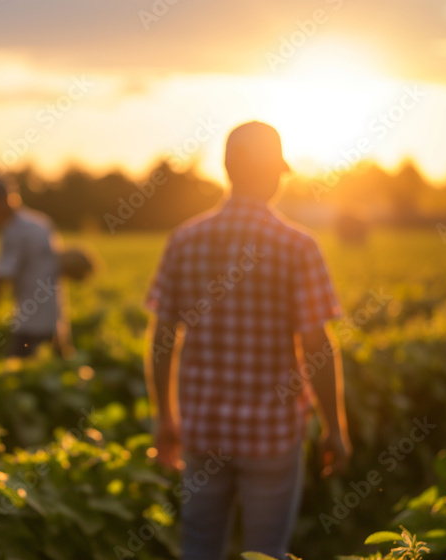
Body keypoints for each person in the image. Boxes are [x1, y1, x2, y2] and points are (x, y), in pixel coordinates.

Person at [143, 121, 351, 559]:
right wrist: (334, 427)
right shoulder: (297, 246)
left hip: (202, 430)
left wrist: (165, 416)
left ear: (226, 167)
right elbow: (317, 346)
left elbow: (162, 337)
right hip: (271, 434)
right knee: (266, 551)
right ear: (276, 174)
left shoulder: (184, 240)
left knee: (199, 548)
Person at [0, 178, 74, 359]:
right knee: (56, 375)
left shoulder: (14, 232)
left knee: (18, 375)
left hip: (30, 325)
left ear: (6, 199)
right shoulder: (41, 222)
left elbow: (0, 280)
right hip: (55, 321)